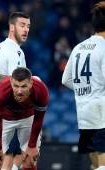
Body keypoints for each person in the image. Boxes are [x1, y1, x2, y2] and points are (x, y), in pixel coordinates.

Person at [0, 12, 30, 170]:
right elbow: (17, 86)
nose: (26, 30)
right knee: (11, 160)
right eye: (22, 25)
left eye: (28, 26)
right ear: (11, 27)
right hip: (9, 113)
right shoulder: (16, 52)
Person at [62, 2, 105, 169]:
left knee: (95, 162)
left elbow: (66, 79)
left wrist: (85, 90)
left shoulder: (78, 47)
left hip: (84, 113)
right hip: (101, 111)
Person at [0, 67, 49, 170]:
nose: (19, 91)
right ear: (11, 81)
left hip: (28, 117)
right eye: (16, 86)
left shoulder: (41, 90)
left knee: (30, 161)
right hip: (5, 119)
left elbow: (39, 118)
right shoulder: (1, 91)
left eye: (24, 86)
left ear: (31, 83)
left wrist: (31, 146)